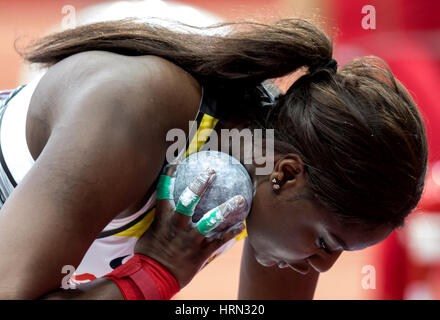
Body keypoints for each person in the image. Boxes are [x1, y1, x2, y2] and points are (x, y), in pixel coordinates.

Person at [0, 18, 427, 299]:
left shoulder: (278, 191)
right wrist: (156, 271)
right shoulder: (134, 109)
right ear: (287, 174)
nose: (321, 266)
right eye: (325, 244)